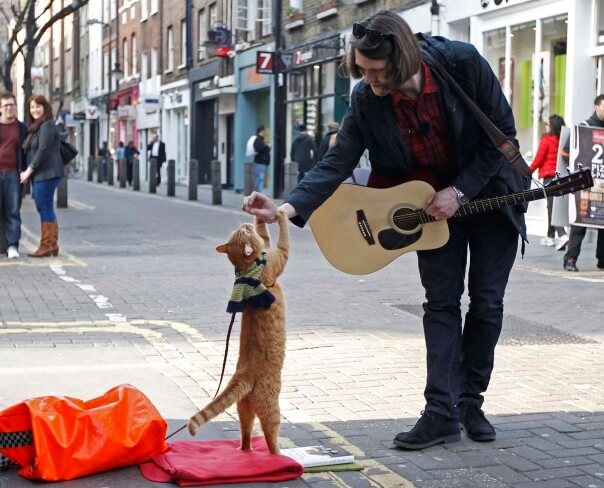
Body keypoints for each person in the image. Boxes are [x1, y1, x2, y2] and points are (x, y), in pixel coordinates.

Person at [243, 10, 530, 450]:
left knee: (487, 303)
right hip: (428, 211)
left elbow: (503, 137)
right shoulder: (367, 99)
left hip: (490, 195)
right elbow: (337, 162)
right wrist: (283, 210)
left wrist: (460, 190)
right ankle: (440, 412)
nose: (370, 80)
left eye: (377, 71)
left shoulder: (462, 64)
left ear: (403, 58)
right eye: (362, 70)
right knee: (440, 304)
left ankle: (470, 401)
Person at [562, 95, 604, 272]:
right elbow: (565, 154)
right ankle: (570, 259)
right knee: (580, 222)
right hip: (585, 184)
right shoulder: (583, 129)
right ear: (596, 107)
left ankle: (602, 260)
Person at [20, 94, 64, 257]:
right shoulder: (36, 127)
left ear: (45, 107)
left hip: (46, 173)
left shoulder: (47, 126)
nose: (35, 110)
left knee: (44, 207)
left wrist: (28, 171)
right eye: (32, 107)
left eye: (38, 106)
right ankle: (52, 244)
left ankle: (47, 245)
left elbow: (43, 150)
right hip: (43, 174)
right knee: (45, 207)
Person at [528, 114, 568, 249]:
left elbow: (538, 159)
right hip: (562, 176)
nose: (545, 126)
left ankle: (562, 235)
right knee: (552, 206)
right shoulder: (564, 139)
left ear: (552, 126)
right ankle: (550, 237)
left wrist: (527, 172)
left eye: (547, 124)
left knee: (552, 207)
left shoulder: (547, 140)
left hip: (549, 177)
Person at [0, 92, 27, 259]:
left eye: (12, 105)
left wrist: (25, 170)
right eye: (6, 105)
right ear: (0, 108)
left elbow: (26, 152)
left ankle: (12, 246)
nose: (10, 108)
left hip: (13, 175)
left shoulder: (22, 128)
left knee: (13, 211)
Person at [253, 126, 270, 192]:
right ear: (261, 131)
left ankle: (257, 193)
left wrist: (267, 147)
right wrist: (267, 146)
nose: (265, 133)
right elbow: (259, 149)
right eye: (264, 131)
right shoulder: (258, 140)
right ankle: (258, 193)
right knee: (260, 178)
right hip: (260, 161)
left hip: (262, 161)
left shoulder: (261, 139)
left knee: (260, 178)